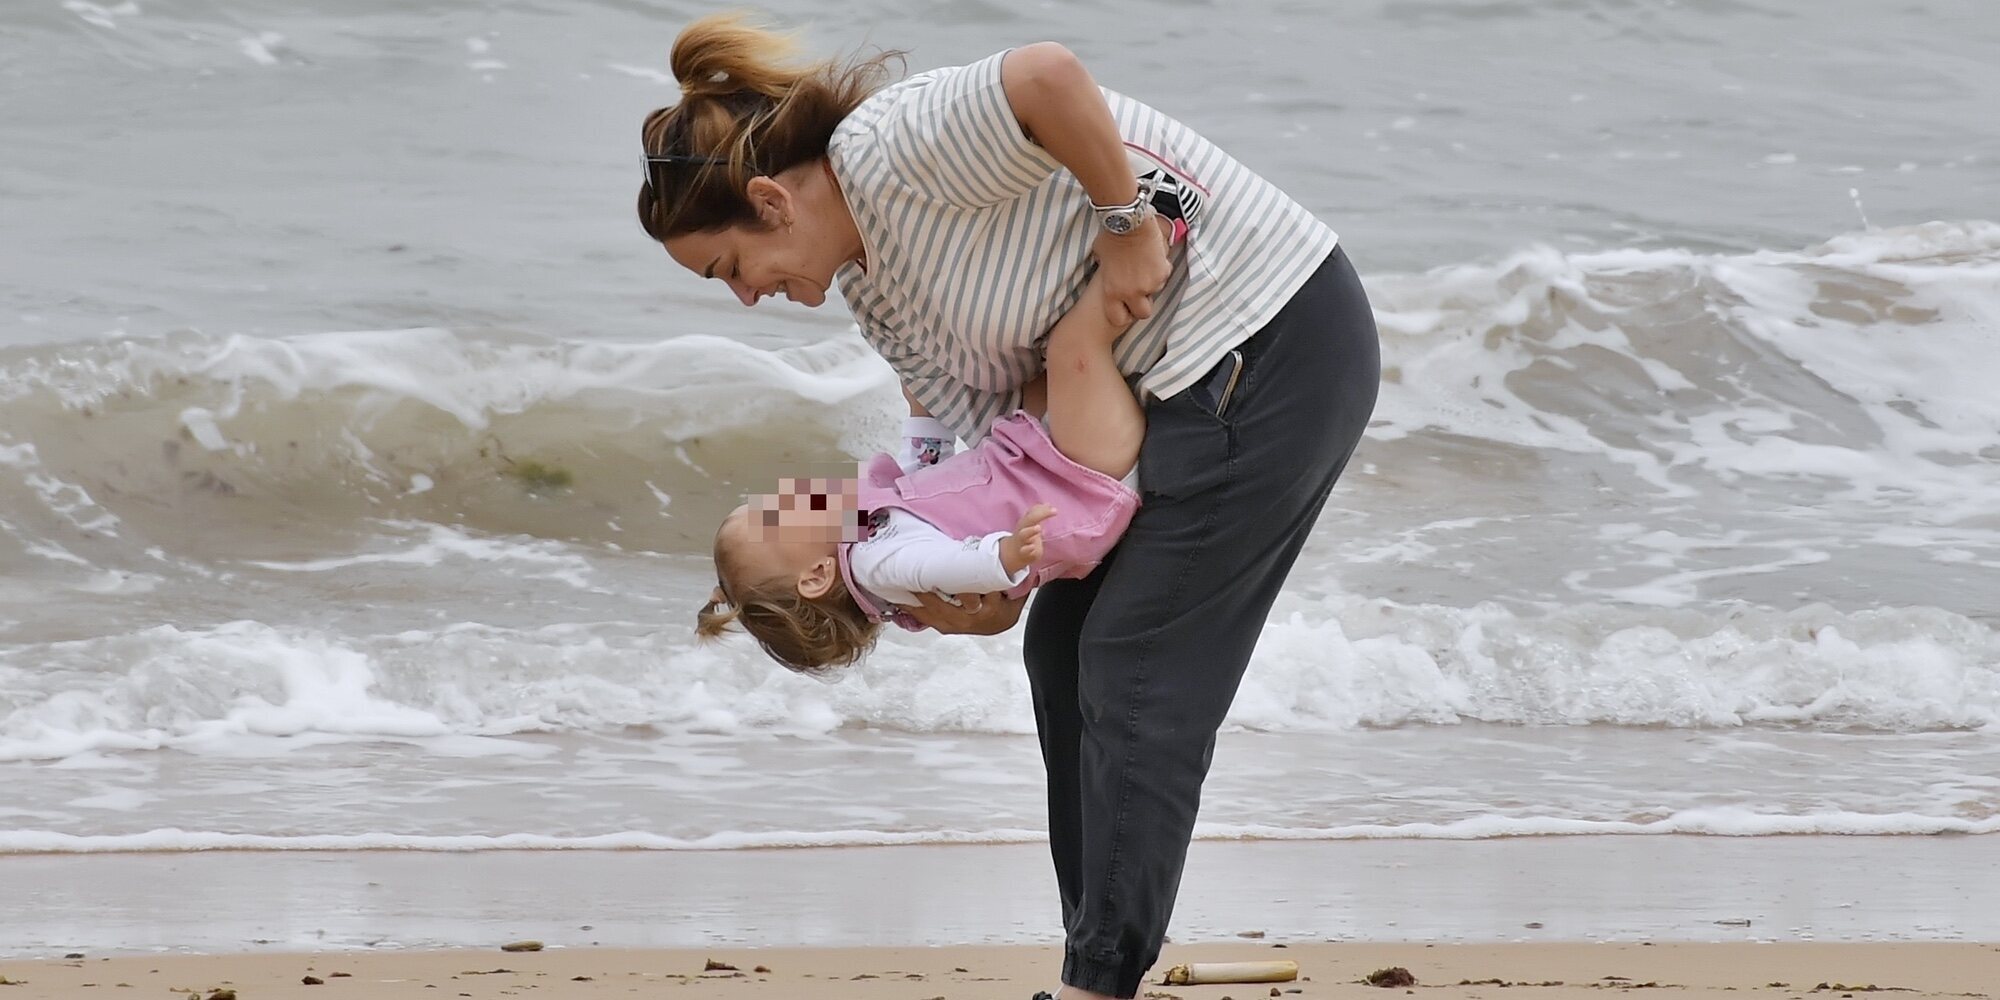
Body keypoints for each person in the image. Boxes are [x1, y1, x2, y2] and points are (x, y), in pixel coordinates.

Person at [637, 15, 1380, 999]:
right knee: (1057, 649)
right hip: (1162, 394)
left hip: (1266, 333)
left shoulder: (886, 150)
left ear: (769, 201)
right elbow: (971, 448)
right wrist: (987, 586)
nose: (741, 298)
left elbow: (1046, 76)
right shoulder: (877, 295)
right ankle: (1093, 958)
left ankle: (1097, 980)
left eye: (727, 268)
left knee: (1133, 663)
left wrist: (1124, 226)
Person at [698, 273, 1148, 673]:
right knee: (1073, 347)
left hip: (1045, 465)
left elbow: (924, 468)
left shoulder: (873, 532)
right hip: (1080, 487)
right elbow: (949, 565)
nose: (784, 496)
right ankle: (1143, 257)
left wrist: (919, 395)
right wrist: (1004, 556)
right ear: (817, 574)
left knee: (1036, 373)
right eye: (774, 515)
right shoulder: (878, 565)